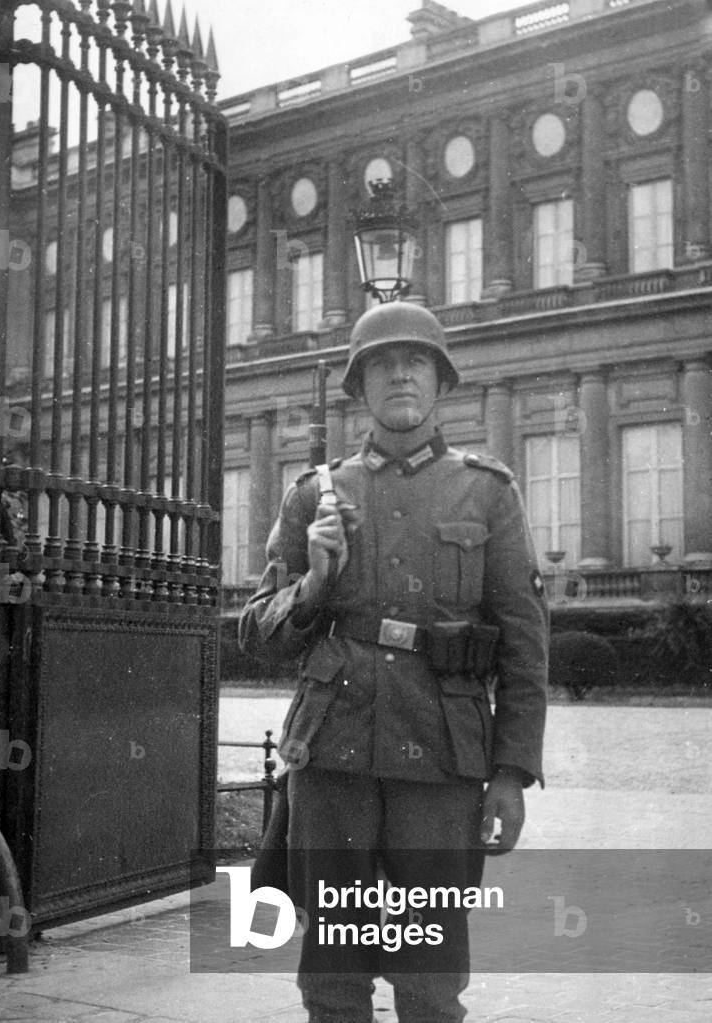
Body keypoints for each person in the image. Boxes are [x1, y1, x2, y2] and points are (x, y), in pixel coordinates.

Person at [239, 302, 549, 1023]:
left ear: (440, 383)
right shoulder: (315, 494)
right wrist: (315, 583)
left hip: (441, 760)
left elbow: (524, 643)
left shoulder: (487, 490)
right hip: (332, 753)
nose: (401, 373)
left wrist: (510, 773)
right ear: (359, 387)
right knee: (332, 966)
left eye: (417, 362)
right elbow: (257, 632)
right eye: (382, 363)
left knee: (430, 972)